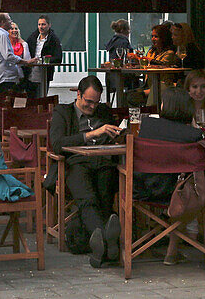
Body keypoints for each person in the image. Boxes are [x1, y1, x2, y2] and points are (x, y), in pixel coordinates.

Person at [48, 75, 122, 266]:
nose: (92, 107)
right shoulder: (63, 112)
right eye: (88, 102)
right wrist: (91, 134)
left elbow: (114, 135)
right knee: (88, 199)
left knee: (106, 194)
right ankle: (107, 240)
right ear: (78, 94)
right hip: (75, 163)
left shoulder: (103, 111)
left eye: (96, 103)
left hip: (103, 161)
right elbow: (57, 144)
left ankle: (100, 248)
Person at [134, 88, 203, 202]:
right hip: (179, 192)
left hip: (143, 191)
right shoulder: (193, 135)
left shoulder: (148, 124)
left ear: (164, 106)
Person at [0, 12, 34, 96]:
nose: (11, 21)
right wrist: (26, 62)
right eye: (9, 19)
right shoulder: (2, 35)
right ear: (3, 22)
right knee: (10, 103)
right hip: (5, 78)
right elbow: (8, 56)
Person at [25, 15, 63, 97]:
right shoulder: (32, 37)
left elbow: (58, 58)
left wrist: (44, 60)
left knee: (41, 100)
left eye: (43, 24)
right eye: (39, 24)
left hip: (44, 76)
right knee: (30, 101)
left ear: (49, 25)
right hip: (30, 75)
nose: (41, 27)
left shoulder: (54, 40)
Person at [102, 19, 134, 105]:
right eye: (128, 29)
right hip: (122, 78)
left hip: (110, 78)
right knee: (137, 84)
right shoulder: (123, 41)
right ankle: (129, 107)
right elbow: (127, 59)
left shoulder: (113, 40)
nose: (129, 32)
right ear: (124, 30)